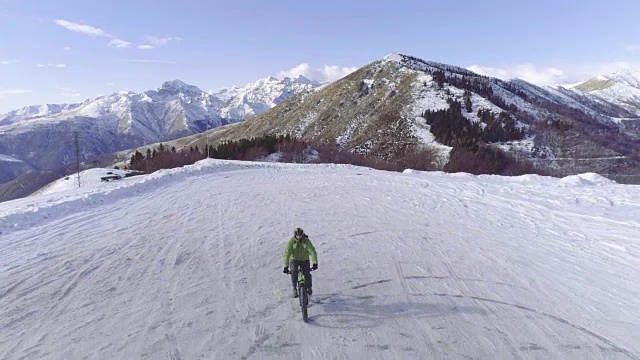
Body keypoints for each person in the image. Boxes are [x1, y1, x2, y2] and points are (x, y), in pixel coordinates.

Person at [283, 227, 318, 298]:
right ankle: (294, 288)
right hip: (294, 259)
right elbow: (287, 254)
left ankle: (309, 287)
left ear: (302, 235)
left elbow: (312, 251)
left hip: (305, 260)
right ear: (295, 235)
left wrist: (315, 263)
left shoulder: (306, 241)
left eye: (300, 235)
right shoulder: (291, 242)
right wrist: (285, 266)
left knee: (307, 272)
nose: (299, 237)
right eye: (297, 236)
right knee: (293, 271)